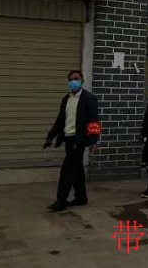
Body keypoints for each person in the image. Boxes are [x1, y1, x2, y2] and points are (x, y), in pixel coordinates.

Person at [44, 70, 100, 212]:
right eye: (70, 79)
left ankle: (61, 200)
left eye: (76, 78)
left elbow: (93, 121)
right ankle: (81, 197)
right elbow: (60, 120)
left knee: (67, 170)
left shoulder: (88, 98)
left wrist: (94, 141)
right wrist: (50, 136)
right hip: (68, 138)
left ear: (82, 80)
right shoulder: (66, 99)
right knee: (77, 169)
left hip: (78, 139)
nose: (73, 81)